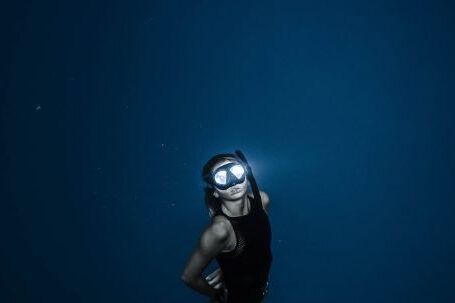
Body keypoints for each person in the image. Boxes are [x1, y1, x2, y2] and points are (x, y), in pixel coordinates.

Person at [181, 150, 273, 302]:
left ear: (247, 177)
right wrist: (215, 295)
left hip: (259, 291)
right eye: (221, 178)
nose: (233, 181)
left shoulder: (262, 200)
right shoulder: (220, 230)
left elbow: (257, 240)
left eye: (236, 172)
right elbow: (188, 277)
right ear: (215, 191)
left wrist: (229, 267)